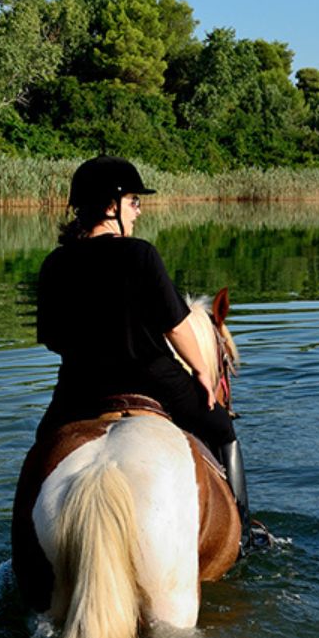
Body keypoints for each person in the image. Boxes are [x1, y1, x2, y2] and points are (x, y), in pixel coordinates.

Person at [32, 155, 256, 533]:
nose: (138, 211)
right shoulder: (140, 254)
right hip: (150, 378)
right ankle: (246, 530)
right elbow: (178, 327)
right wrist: (202, 371)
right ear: (110, 206)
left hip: (79, 387)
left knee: (42, 449)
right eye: (133, 201)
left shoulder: (54, 263)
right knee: (221, 429)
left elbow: (52, 339)